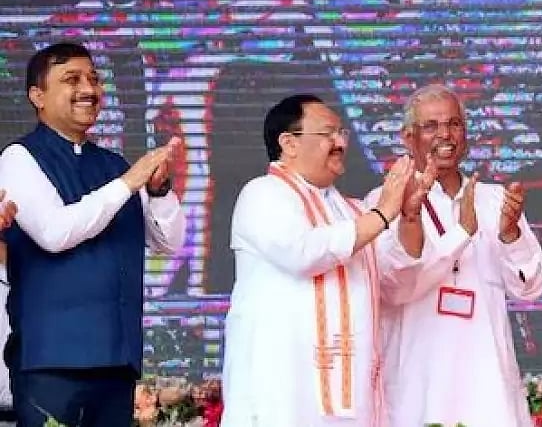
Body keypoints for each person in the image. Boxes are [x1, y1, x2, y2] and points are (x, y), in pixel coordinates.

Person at [0, 41, 185, 426]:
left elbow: (169, 243)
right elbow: (53, 232)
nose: (89, 89)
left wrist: (158, 190)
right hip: (51, 360)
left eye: (94, 79)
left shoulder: (113, 164)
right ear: (38, 96)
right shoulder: (19, 157)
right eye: (72, 79)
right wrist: (129, 182)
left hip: (117, 359)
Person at [220, 94, 430, 427]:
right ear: (289, 143)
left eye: (342, 134)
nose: (340, 143)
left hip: (353, 400)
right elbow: (303, 252)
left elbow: (395, 284)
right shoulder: (263, 194)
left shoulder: (353, 211)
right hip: (283, 393)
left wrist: (407, 217)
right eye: (328, 134)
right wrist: (383, 212)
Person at [372, 83, 542, 427]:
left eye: (454, 124)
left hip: (487, 382)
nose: (445, 135)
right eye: (431, 126)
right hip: (418, 381)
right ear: (408, 138)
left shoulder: (495, 199)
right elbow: (393, 287)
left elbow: (532, 289)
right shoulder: (383, 202)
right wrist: (459, 234)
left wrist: (511, 235)